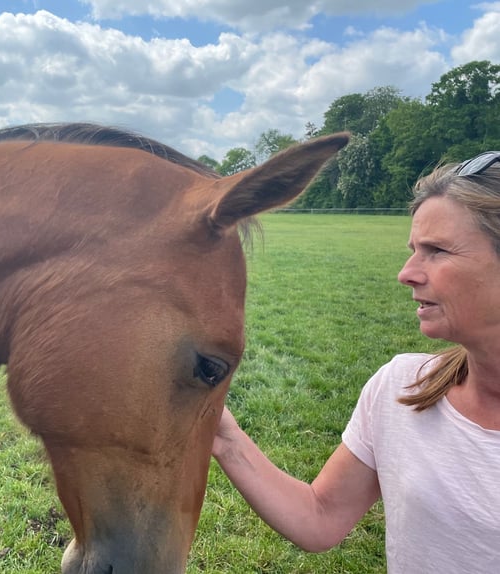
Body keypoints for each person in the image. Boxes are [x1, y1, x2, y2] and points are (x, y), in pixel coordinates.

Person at [213, 151, 500, 573]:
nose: (406, 272)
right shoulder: (403, 389)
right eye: (413, 249)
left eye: (436, 251)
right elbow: (321, 516)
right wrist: (223, 436)